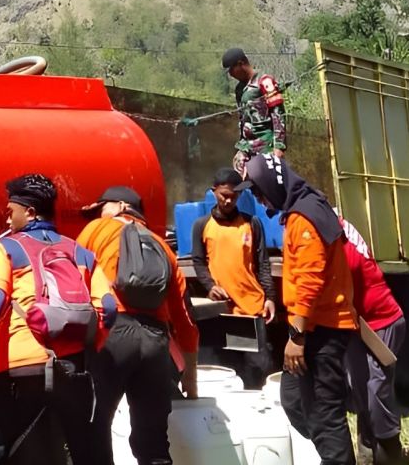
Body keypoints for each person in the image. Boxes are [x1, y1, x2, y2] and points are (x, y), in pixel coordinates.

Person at [0, 173, 116, 465]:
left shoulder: (7, 248)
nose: (7, 220)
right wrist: (88, 349)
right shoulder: (79, 251)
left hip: (18, 370)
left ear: (30, 212)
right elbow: (108, 307)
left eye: (11, 213)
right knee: (86, 452)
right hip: (72, 368)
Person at [245, 154, 357, 465]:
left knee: (324, 412)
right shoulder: (300, 210)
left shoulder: (304, 217)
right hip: (311, 327)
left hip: (321, 330)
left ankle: (336, 457)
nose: (258, 199)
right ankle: (332, 453)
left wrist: (296, 336)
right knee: (294, 400)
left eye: (257, 191)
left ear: (271, 184)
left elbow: (311, 279)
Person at [76, 186, 199, 465]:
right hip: (156, 342)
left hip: (112, 335)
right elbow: (184, 317)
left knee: (95, 427)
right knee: (153, 439)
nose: (96, 214)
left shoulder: (97, 230)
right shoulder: (162, 246)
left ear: (120, 206)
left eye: (101, 208)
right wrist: (191, 378)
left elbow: (75, 282)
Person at [191, 167, 276, 388]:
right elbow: (199, 262)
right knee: (225, 372)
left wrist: (270, 297)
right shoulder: (202, 226)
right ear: (213, 192)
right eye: (224, 195)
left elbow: (262, 264)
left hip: (251, 309)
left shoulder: (252, 224)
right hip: (220, 311)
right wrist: (210, 286)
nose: (228, 200)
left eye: (233, 196)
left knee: (257, 374)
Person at [340, 217, 406, 465]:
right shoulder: (331, 228)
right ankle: (368, 454)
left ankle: (390, 454)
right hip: (356, 324)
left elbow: (349, 271)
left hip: (382, 321)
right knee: (358, 387)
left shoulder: (339, 233)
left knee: (376, 389)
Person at [221, 47, 287, 174]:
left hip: (265, 146)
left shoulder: (264, 82)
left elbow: (278, 115)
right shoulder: (240, 89)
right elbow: (243, 118)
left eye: (231, 70)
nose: (231, 74)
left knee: (267, 185)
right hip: (246, 146)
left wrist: (278, 146)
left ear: (241, 64)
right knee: (242, 182)